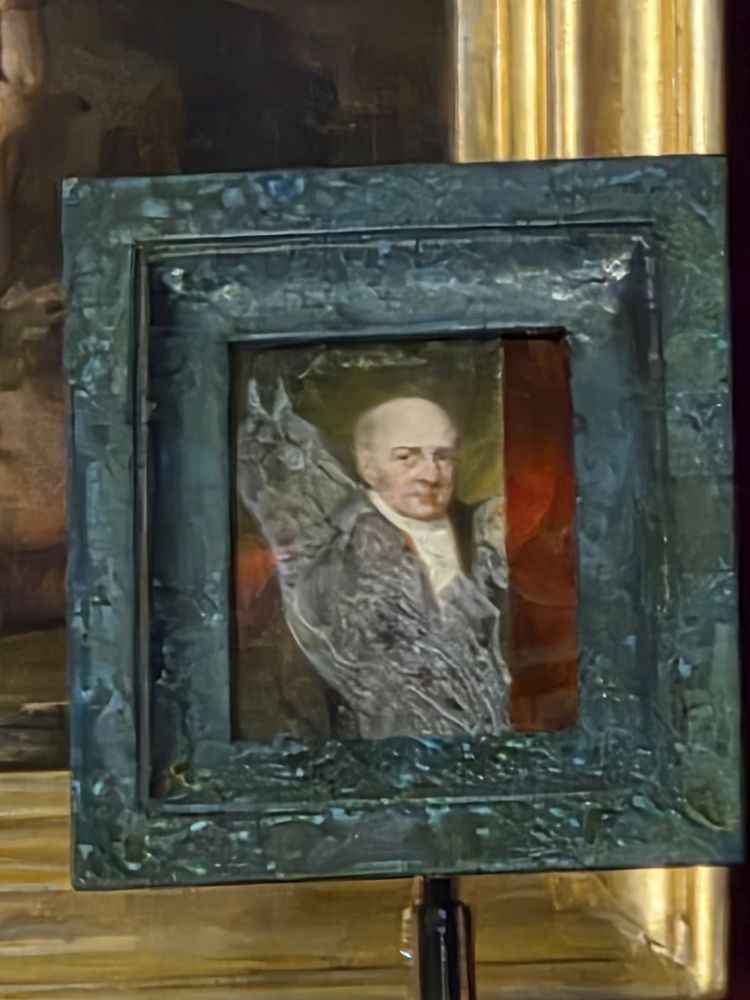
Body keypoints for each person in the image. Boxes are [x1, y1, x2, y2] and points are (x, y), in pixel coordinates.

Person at [237, 383, 510, 740]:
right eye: (406, 457)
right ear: (368, 464)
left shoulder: (493, 536)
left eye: (442, 456)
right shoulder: (320, 566)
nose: (431, 474)